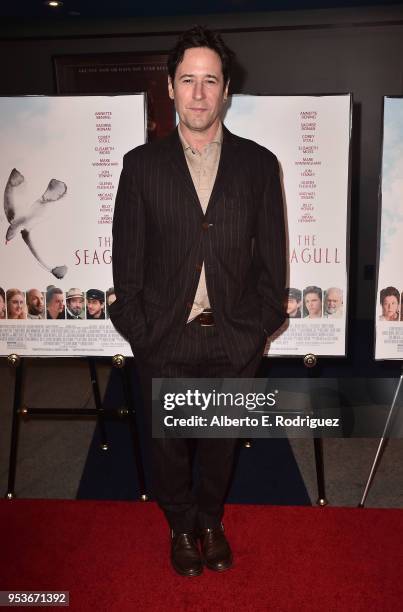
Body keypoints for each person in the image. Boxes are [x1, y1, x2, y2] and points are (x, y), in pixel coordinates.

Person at [110, 26, 286, 577]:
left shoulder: (260, 165)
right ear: (171, 87)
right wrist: (141, 330)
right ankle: (180, 525)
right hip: (165, 335)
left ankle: (211, 520)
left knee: (219, 443)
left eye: (211, 80)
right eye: (189, 80)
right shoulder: (141, 167)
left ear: (227, 89)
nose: (200, 93)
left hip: (233, 336)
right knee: (167, 449)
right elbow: (127, 264)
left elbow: (273, 263)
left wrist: (258, 327)